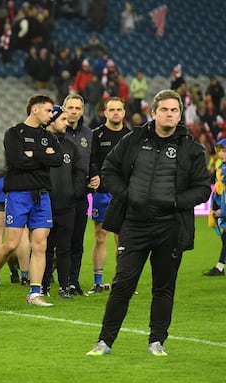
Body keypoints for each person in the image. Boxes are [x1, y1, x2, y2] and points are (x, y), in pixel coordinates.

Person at [86, 89, 211, 356]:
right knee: (122, 285)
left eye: (175, 110)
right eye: (164, 109)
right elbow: (109, 170)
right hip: (134, 225)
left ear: (180, 115)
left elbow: (203, 189)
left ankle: (157, 342)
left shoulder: (191, 148)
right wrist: (127, 195)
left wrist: (176, 202)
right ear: (153, 113)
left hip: (170, 227)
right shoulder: (132, 140)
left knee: (163, 288)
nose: (170, 114)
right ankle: (104, 342)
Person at [0, 94, 63, 307]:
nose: (51, 115)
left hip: (42, 194)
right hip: (18, 193)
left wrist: (33, 154)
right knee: (11, 243)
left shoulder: (49, 136)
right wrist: (42, 155)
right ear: (34, 110)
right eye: (48, 110)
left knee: (40, 244)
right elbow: (18, 160)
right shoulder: (14, 133)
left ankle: (34, 293)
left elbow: (57, 159)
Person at [41, 105, 87, 299]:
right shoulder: (40, 145)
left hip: (67, 206)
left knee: (64, 249)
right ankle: (42, 286)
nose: (67, 123)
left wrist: (74, 193)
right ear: (51, 121)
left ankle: (64, 286)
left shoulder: (70, 146)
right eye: (63, 120)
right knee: (44, 249)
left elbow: (79, 172)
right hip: (44, 207)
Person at [88, 97, 131, 293]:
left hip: (124, 194)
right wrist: (94, 176)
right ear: (104, 112)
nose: (115, 113)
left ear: (124, 112)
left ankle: (121, 282)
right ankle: (98, 281)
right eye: (111, 109)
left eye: (119, 109)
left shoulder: (131, 136)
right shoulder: (96, 135)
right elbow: (91, 161)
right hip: (103, 192)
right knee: (100, 237)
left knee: (122, 239)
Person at [63, 93, 94, 296]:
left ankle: (73, 282)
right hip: (57, 195)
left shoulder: (89, 134)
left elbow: (93, 162)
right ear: (64, 108)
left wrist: (96, 176)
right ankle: (47, 281)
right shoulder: (55, 131)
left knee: (77, 241)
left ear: (82, 111)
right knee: (53, 241)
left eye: (77, 108)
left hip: (81, 195)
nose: (74, 111)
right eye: (70, 107)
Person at [204, 139, 226, 276]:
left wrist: (222, 211)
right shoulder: (221, 168)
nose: (221, 154)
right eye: (219, 151)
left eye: (224, 151)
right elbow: (220, 193)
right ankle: (219, 268)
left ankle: (219, 268)